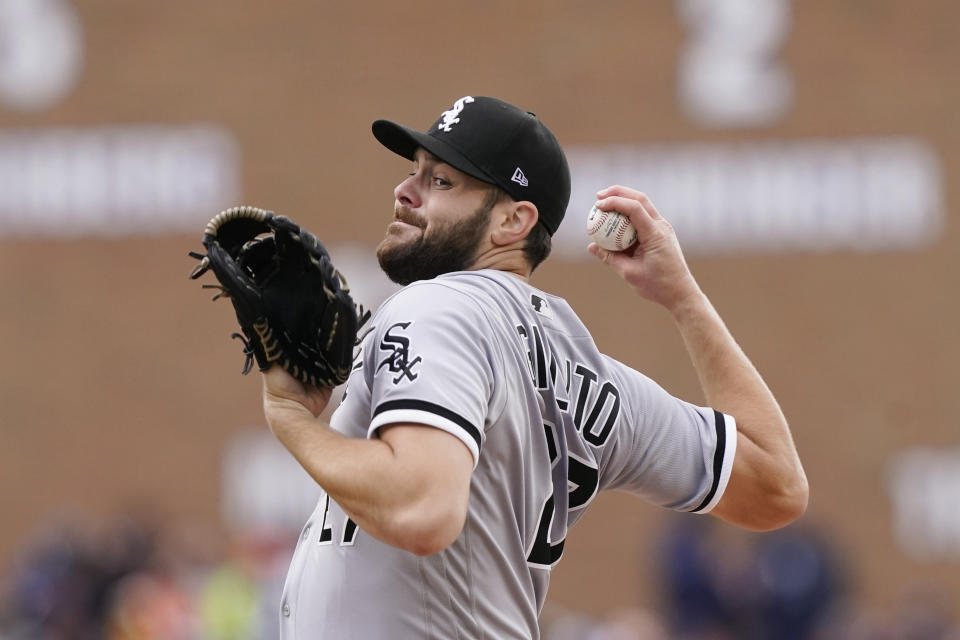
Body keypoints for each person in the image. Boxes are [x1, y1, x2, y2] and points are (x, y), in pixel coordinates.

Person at [259, 95, 808, 639]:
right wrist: (684, 299)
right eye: (414, 172)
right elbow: (775, 486)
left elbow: (422, 509)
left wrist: (291, 418)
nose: (404, 191)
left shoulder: (443, 306)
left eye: (441, 181)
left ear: (513, 220)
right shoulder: (590, 371)